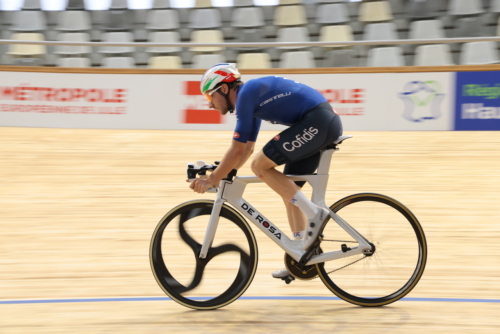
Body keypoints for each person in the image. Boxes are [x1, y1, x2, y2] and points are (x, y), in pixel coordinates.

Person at [189, 63, 343, 279]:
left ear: (224, 89)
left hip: (318, 122)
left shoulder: (246, 95)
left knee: (259, 165)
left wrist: (214, 178)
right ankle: (300, 254)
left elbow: (237, 151)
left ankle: (316, 215)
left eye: (209, 97)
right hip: (320, 123)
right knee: (290, 193)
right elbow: (247, 148)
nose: (210, 105)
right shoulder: (248, 99)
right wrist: (224, 173)